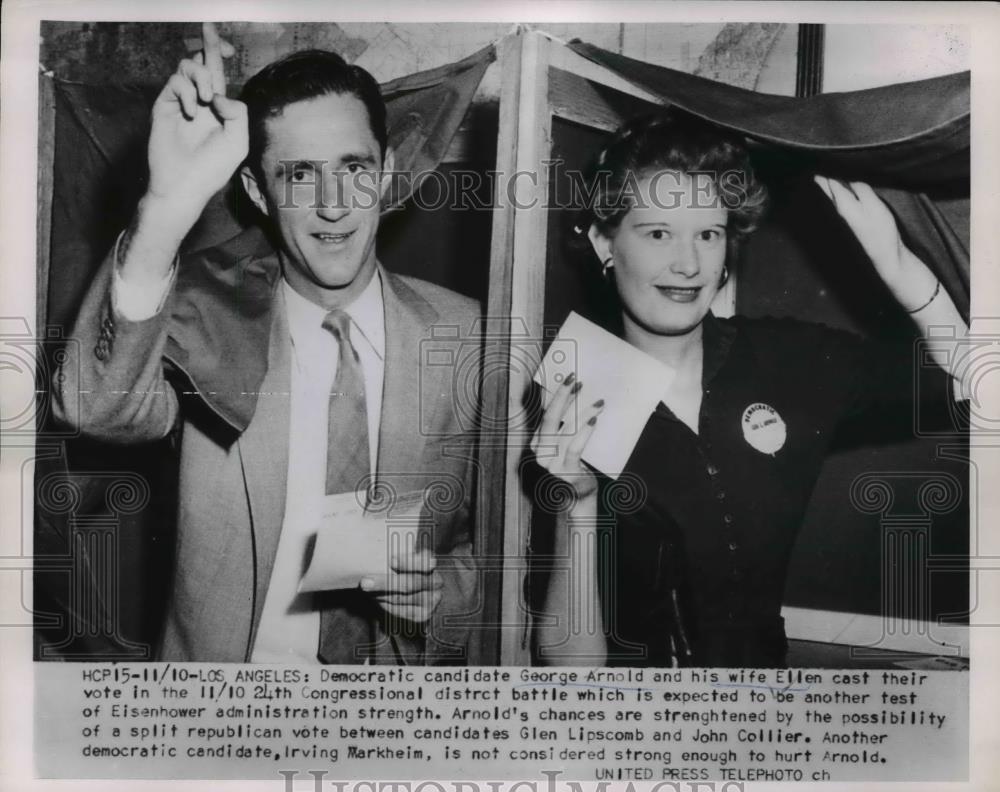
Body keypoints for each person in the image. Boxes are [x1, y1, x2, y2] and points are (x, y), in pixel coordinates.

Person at [52, 24, 480, 664]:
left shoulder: (467, 331)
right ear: (257, 191)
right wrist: (169, 204)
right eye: (300, 174)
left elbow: (500, 545)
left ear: (386, 174)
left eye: (353, 169)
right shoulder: (207, 315)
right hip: (228, 725)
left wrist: (443, 593)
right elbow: (93, 408)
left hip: (400, 721)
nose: (333, 206)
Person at [533, 110, 969, 668]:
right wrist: (577, 506)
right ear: (604, 243)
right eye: (658, 232)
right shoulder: (572, 393)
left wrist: (901, 267)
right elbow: (572, 673)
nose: (688, 264)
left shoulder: (790, 360)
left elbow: (976, 383)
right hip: (634, 732)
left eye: (708, 234)